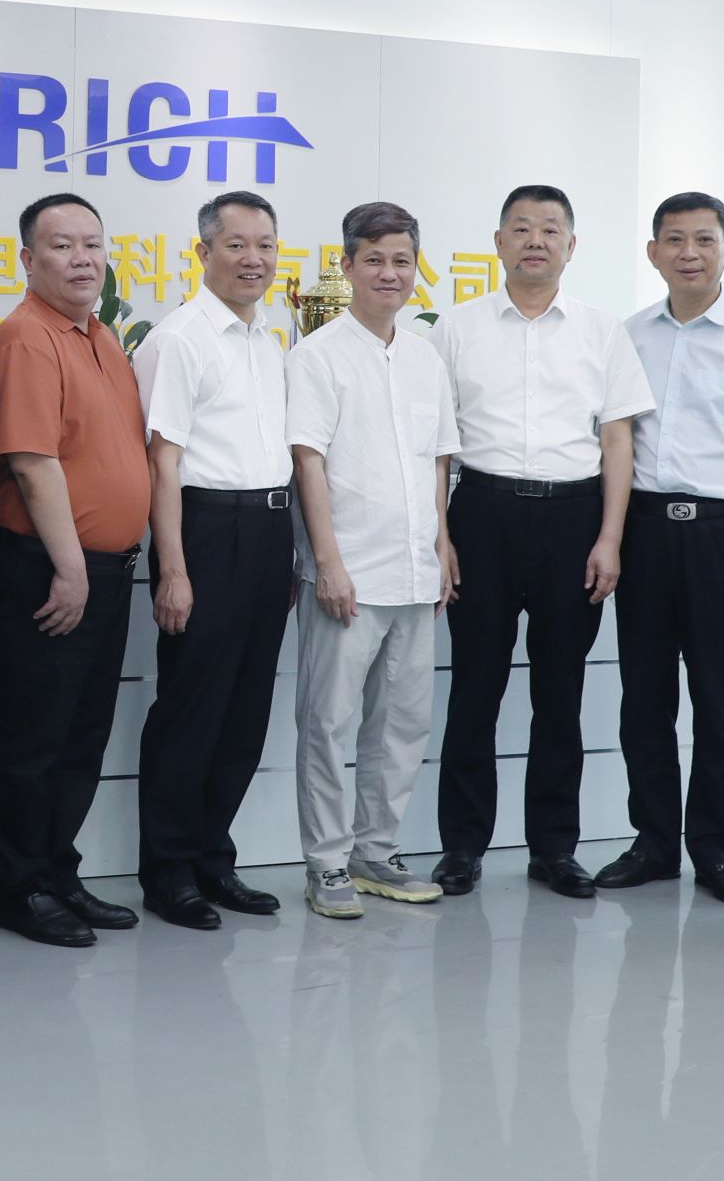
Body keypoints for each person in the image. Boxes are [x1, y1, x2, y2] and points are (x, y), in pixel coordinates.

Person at [429, 185, 653, 899]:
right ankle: (462, 846)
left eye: (550, 229)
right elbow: (437, 446)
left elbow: (618, 441)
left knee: (561, 693)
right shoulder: (456, 328)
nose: (535, 240)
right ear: (498, 242)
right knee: (474, 687)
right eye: (521, 228)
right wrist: (440, 536)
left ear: (571, 245)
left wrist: (610, 538)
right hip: (482, 514)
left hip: (573, 521)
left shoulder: (601, 330)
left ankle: (555, 848)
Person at [598, 192, 724, 908]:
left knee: (719, 698)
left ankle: (715, 848)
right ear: (653, 251)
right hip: (646, 529)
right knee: (643, 696)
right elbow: (615, 439)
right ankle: (653, 842)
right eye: (675, 240)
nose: (690, 253)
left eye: (705, 239)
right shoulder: (629, 335)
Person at [0, 192, 150, 948]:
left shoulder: (102, 337)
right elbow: (32, 462)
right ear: (27, 259)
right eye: (62, 246)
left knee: (80, 734)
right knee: (29, 737)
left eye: (92, 244)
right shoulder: (25, 336)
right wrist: (71, 568)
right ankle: (22, 889)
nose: (82, 259)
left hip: (105, 570)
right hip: (47, 570)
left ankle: (57, 871)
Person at [287, 202, 458, 919]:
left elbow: (438, 459)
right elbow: (308, 461)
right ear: (348, 266)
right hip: (348, 573)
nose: (390, 273)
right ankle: (326, 862)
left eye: (402, 261)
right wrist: (327, 562)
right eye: (375, 260)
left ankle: (375, 850)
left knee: (402, 724)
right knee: (328, 723)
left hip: (416, 572)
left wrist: (444, 543)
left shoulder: (425, 356)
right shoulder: (317, 355)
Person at [131, 191, 295, 929]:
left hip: (267, 531)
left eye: (265, 245)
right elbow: (162, 461)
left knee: (245, 709)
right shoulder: (180, 338)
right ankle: (168, 871)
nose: (253, 259)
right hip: (204, 530)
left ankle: (211, 858)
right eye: (236, 244)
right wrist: (172, 569)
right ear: (203, 253)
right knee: (192, 708)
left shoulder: (269, 338)